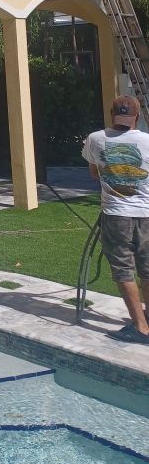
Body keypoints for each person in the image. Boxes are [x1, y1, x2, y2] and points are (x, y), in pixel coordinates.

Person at [82, 95, 149, 344]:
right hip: (146, 214)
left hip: (116, 216)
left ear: (111, 115)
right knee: (147, 268)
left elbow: (93, 173)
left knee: (124, 269)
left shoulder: (96, 138)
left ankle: (141, 328)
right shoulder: (147, 141)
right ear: (137, 117)